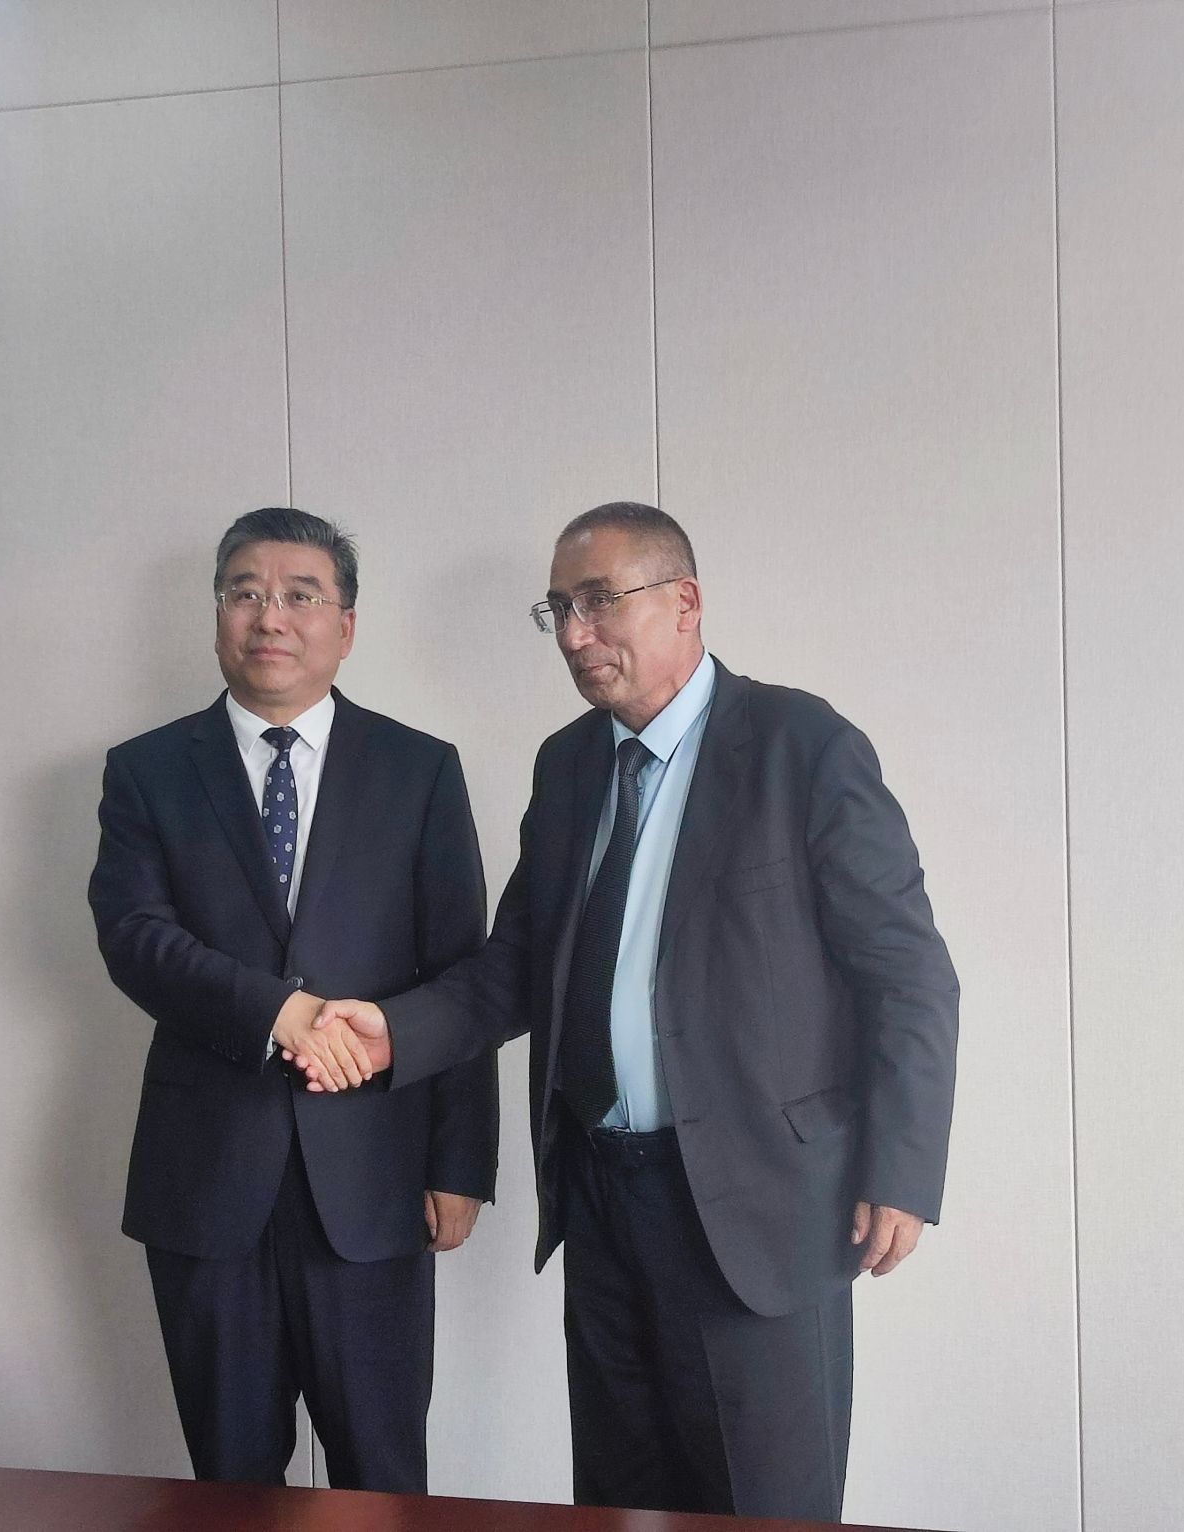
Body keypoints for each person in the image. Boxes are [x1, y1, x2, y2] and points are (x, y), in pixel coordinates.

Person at [290, 501, 959, 1520]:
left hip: (756, 1206)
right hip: (601, 1199)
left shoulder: (799, 745)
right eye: (557, 608)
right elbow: (516, 965)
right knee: (618, 1504)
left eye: (599, 601)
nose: (573, 634)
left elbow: (907, 972)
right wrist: (395, 1030)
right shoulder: (568, 766)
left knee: (761, 1504)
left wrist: (898, 1168)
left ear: (684, 601)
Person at [88, 507, 498, 1492]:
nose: (269, 614)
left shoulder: (418, 770)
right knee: (230, 1482)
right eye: (245, 592)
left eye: (300, 595)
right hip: (205, 1180)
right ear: (217, 616)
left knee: (382, 1477)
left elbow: (463, 978)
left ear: (344, 626)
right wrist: (282, 1012)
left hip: (374, 1179)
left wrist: (459, 1162)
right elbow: (134, 937)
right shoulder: (147, 770)